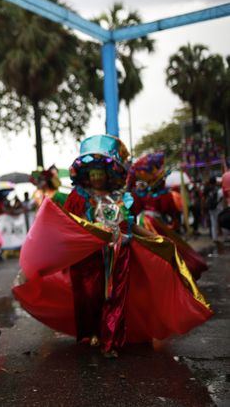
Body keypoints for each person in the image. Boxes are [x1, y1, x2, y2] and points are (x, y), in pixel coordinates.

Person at [13, 135, 212, 359]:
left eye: (101, 173)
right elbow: (66, 226)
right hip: (87, 259)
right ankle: (93, 333)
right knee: (88, 297)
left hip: (119, 257)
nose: (97, 178)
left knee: (115, 297)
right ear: (87, 175)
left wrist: (157, 241)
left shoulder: (123, 199)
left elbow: (130, 226)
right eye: (93, 174)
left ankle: (111, 341)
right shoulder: (78, 198)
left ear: (109, 174)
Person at [127, 153, 207, 280]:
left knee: (164, 253)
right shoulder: (142, 194)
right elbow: (133, 210)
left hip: (159, 225)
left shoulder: (166, 195)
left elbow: (173, 215)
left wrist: (173, 226)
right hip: (145, 227)